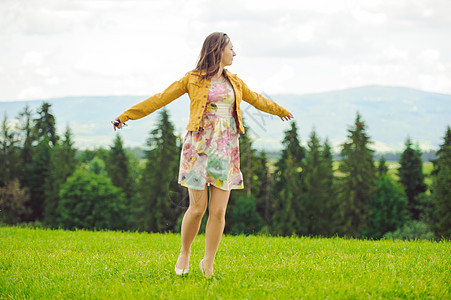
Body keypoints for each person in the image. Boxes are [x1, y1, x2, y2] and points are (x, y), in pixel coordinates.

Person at [113, 32, 294, 278]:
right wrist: (126, 115)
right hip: (198, 147)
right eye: (231, 48)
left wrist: (280, 110)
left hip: (226, 148)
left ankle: (208, 263)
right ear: (218, 50)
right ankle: (185, 252)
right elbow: (160, 99)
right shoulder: (192, 79)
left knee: (218, 212)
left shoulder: (235, 82)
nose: (234, 53)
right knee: (197, 208)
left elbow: (257, 101)